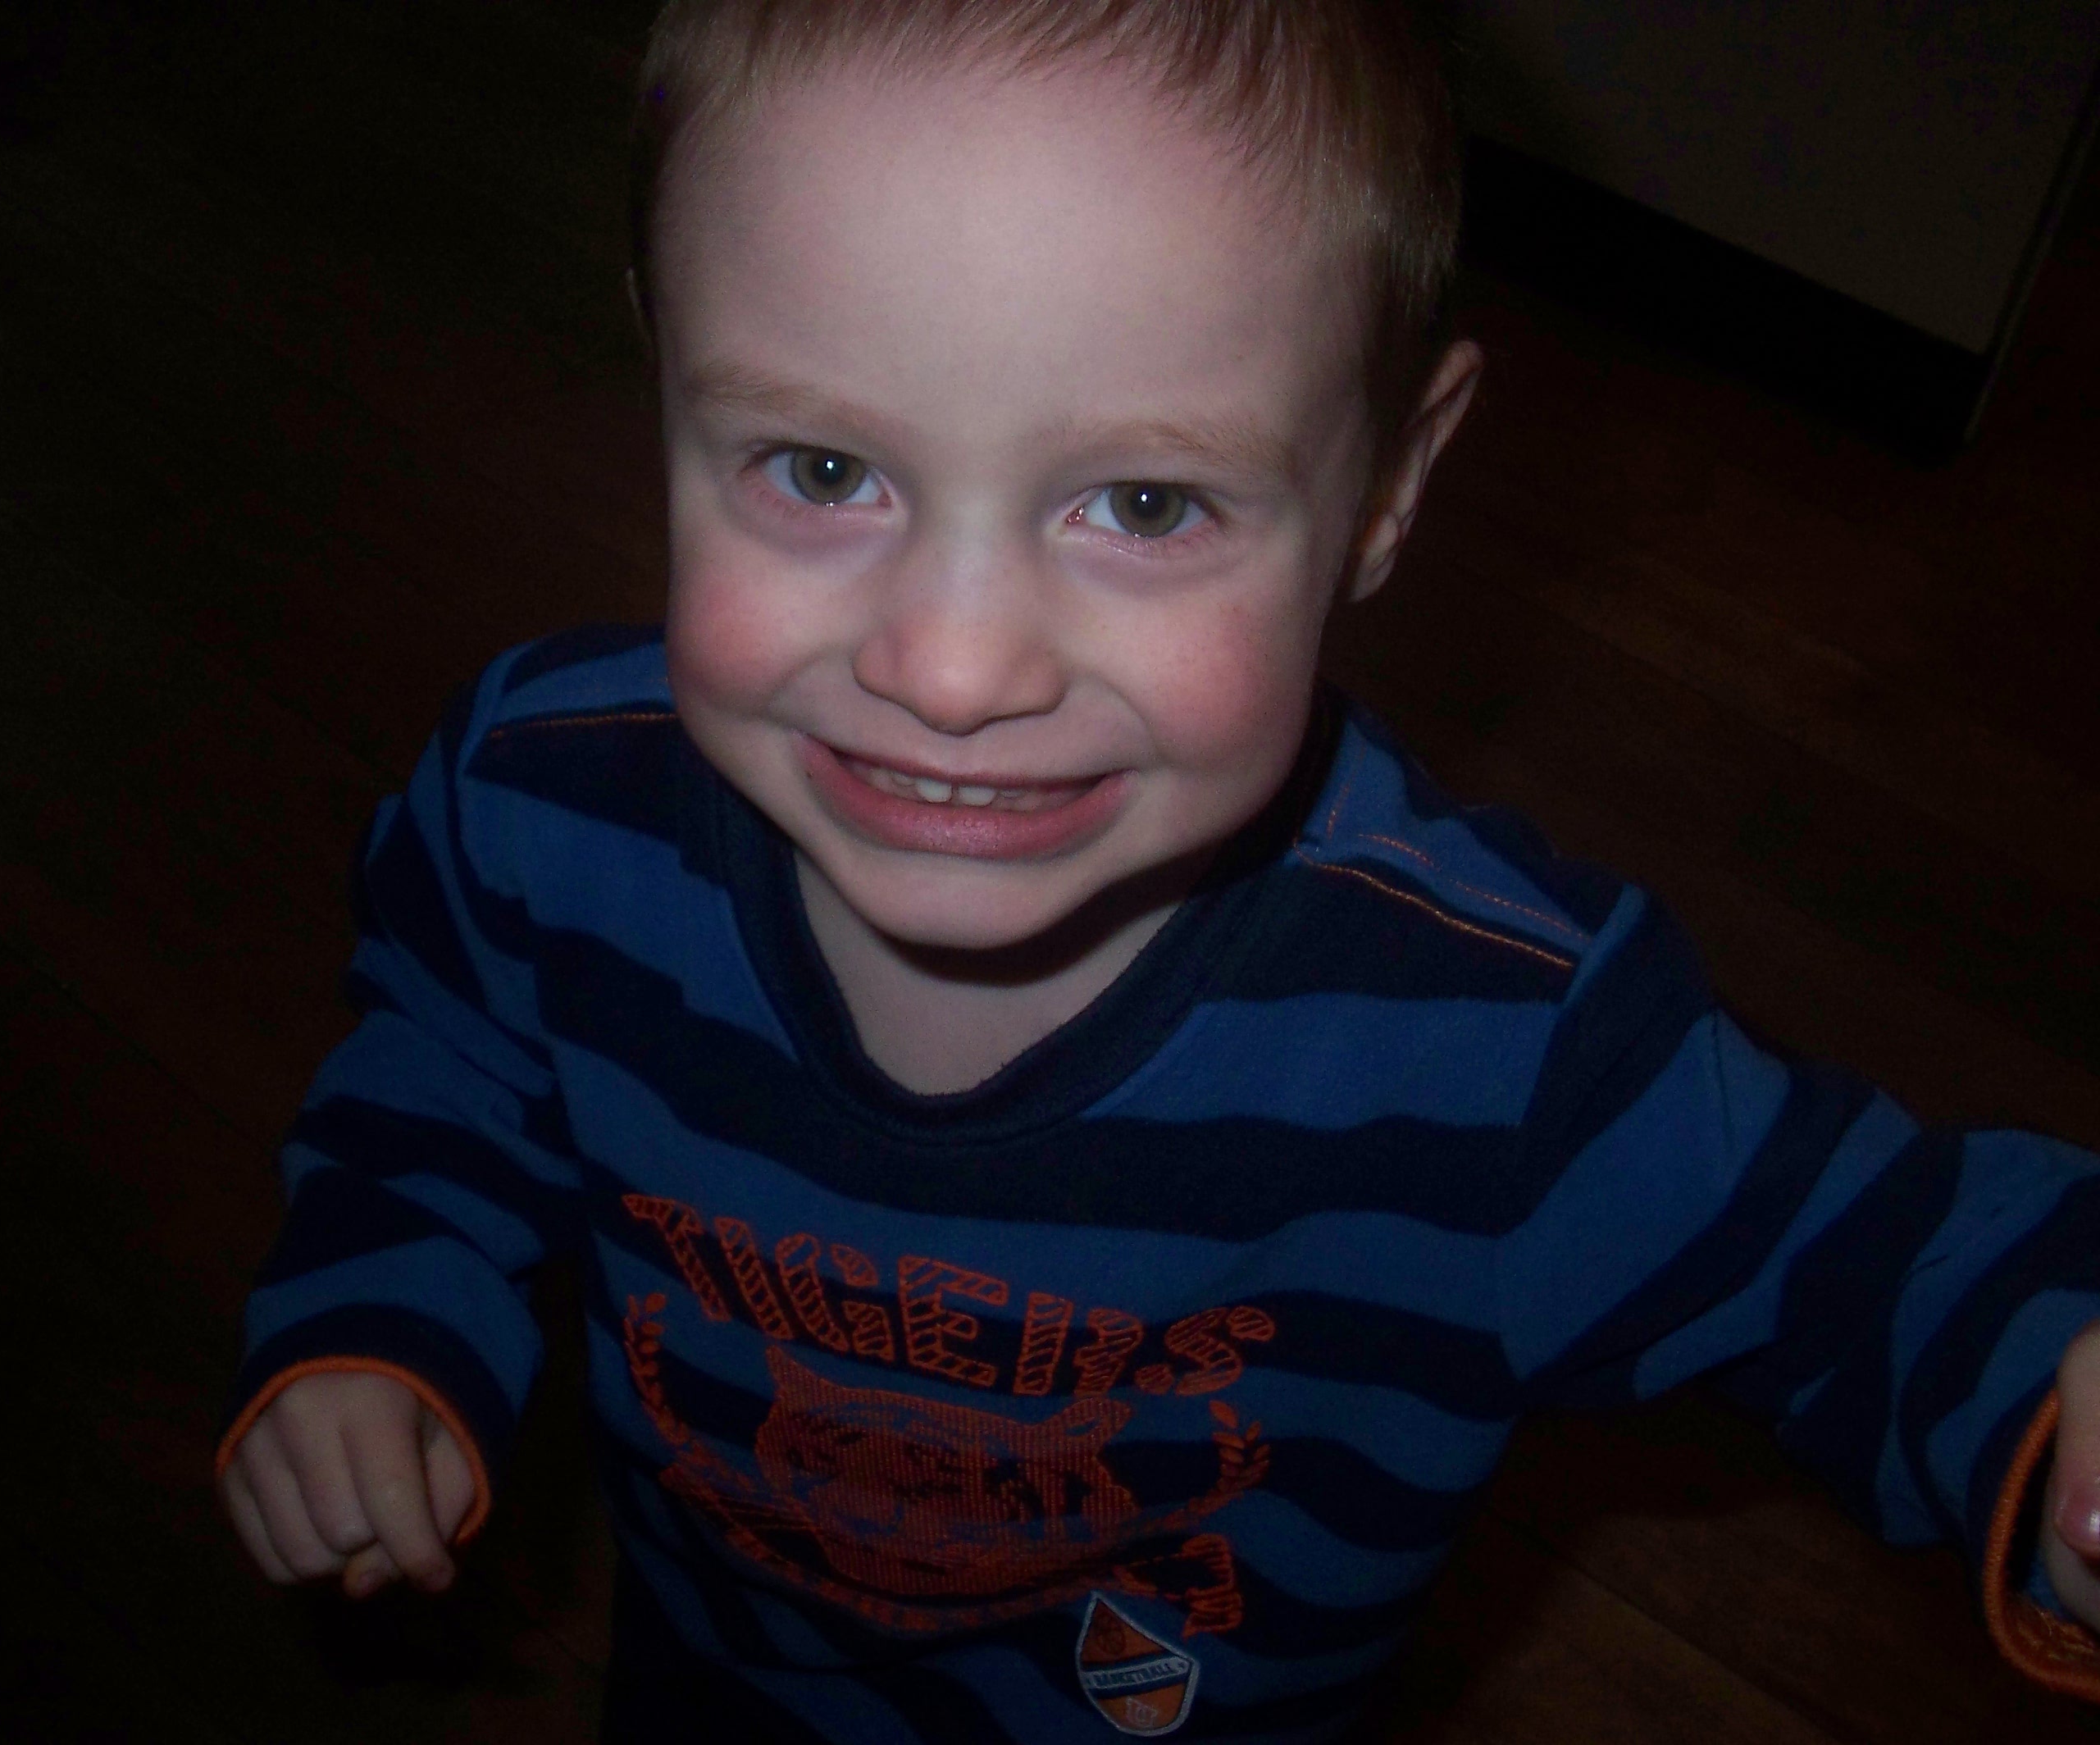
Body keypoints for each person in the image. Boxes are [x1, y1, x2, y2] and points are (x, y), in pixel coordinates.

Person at [214, 2, 2100, 1736]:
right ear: (664, 374)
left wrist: (2060, 1396)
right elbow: (442, 1059)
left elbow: (1890, 1270)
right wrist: (380, 1313)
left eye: (1144, 500)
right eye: (819, 468)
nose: (953, 668)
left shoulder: (1502, 1046)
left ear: (1388, 486)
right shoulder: (538, 802)